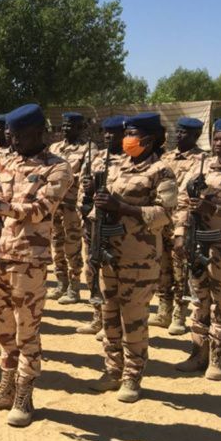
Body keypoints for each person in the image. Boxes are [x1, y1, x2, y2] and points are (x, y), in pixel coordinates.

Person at [0, 104, 71, 427]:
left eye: (19, 135)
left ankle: (25, 395)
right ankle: (6, 387)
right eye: (10, 135)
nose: (12, 141)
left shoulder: (57, 169)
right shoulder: (4, 161)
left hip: (28, 261)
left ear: (38, 133)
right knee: (3, 328)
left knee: (27, 330)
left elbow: (39, 209)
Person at [88, 113, 177, 403]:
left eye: (133, 134)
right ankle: (113, 370)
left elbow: (165, 214)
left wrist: (123, 207)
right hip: (110, 254)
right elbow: (103, 207)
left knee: (133, 319)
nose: (127, 139)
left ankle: (133, 376)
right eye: (126, 133)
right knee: (109, 315)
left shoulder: (162, 171)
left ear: (149, 139)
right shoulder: (117, 166)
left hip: (139, 258)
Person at [173, 119, 221, 379]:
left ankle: (217, 359)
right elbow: (183, 202)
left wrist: (214, 209)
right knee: (199, 300)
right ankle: (197, 354)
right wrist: (181, 234)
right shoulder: (200, 166)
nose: (219, 143)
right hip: (198, 242)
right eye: (216, 138)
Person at [152, 116, 207, 334]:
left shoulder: (201, 161)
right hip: (162, 221)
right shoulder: (166, 157)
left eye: (184, 132)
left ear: (196, 136)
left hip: (182, 223)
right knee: (162, 268)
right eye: (178, 131)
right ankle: (163, 310)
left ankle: (179, 314)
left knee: (180, 270)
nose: (179, 135)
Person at [76, 115, 125, 336]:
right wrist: (85, 200)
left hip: (118, 228)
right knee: (92, 270)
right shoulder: (96, 158)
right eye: (106, 132)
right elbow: (82, 190)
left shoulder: (129, 162)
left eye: (113, 132)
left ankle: (115, 323)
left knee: (116, 276)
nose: (108, 136)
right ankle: (98, 317)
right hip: (93, 223)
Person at [48, 112, 90, 304]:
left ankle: (74, 287)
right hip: (54, 205)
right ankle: (61, 283)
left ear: (80, 128)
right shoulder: (55, 148)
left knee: (72, 246)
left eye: (70, 126)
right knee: (56, 244)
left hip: (72, 207)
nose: (65, 129)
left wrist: (80, 204)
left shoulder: (88, 149)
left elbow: (85, 179)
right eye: (64, 125)